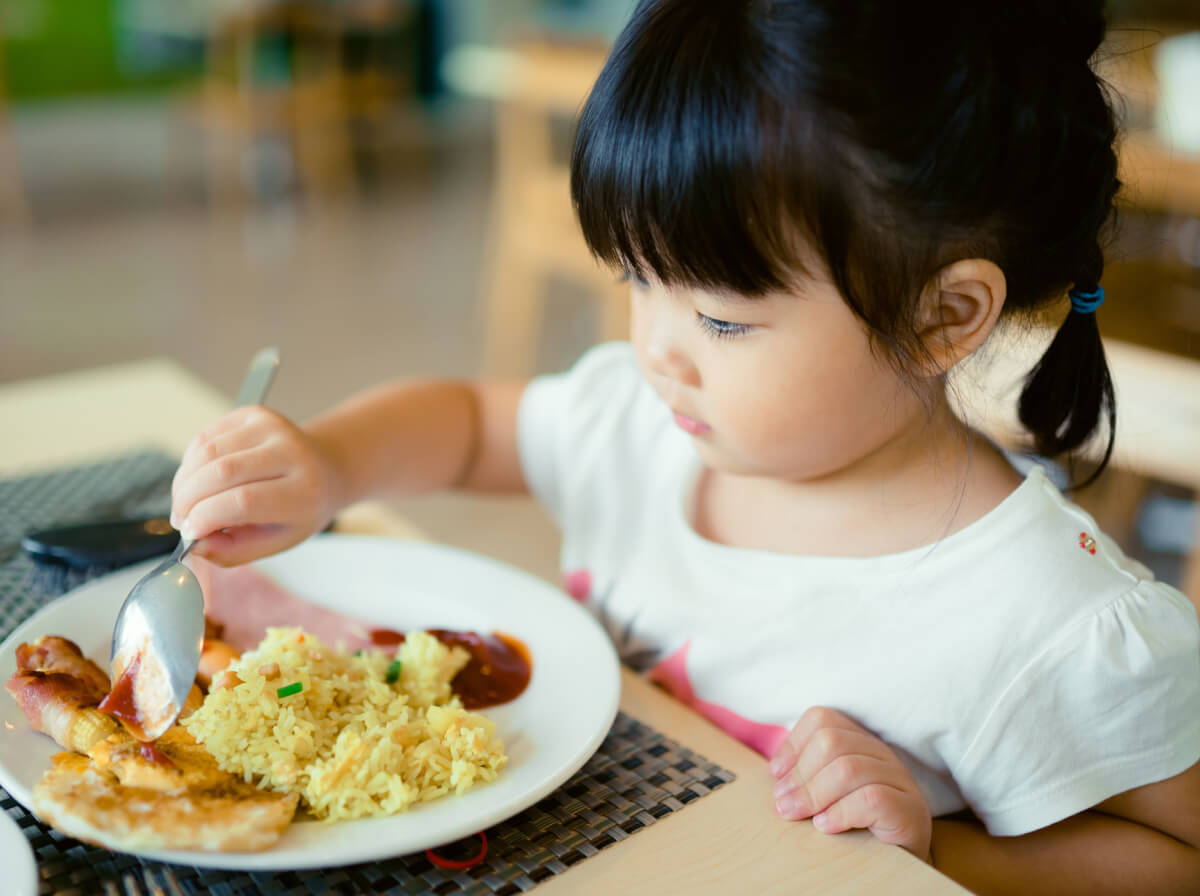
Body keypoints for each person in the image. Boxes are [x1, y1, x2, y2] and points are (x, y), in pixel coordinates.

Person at [169, 0, 1200, 890]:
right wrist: (332, 463)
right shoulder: (645, 423)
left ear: (944, 316)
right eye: (634, 277)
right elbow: (475, 422)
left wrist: (941, 847)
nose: (655, 346)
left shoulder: (1045, 620)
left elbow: (1176, 857)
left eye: (719, 318)